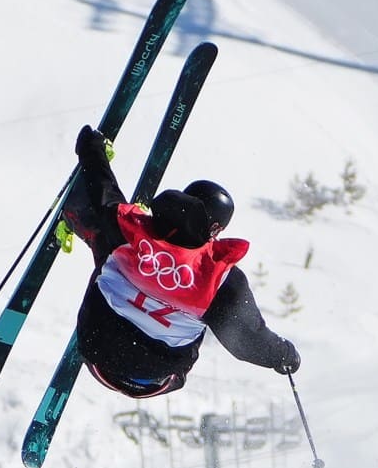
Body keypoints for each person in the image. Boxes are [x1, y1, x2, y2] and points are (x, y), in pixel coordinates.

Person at [60, 124, 301, 398]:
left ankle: (81, 220)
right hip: (153, 381)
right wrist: (284, 355)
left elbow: (104, 191)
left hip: (96, 350)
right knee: (202, 316)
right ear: (215, 231)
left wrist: (91, 150)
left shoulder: (131, 230)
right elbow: (246, 341)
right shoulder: (221, 280)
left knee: (111, 245)